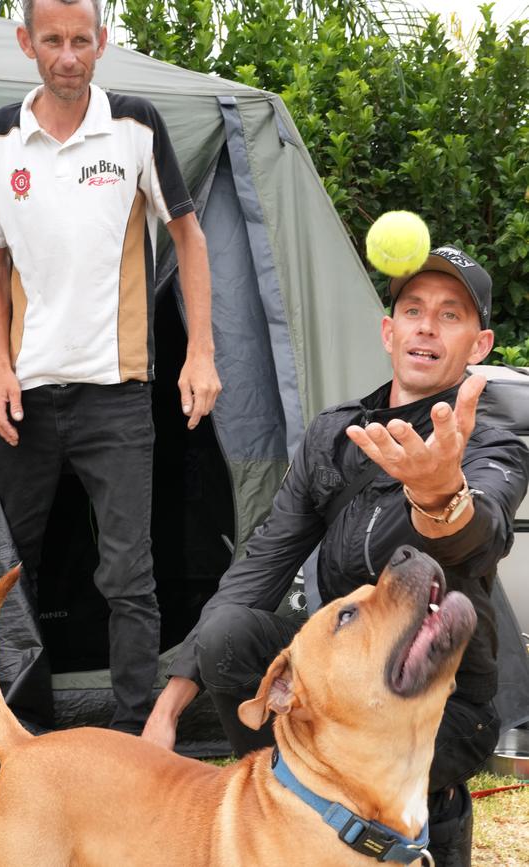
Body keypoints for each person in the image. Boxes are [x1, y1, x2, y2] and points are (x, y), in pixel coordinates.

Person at [142, 245, 529, 866]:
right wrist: (168, 709)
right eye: (412, 310)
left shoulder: (490, 439)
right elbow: (261, 564)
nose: (426, 326)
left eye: (450, 315)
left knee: (396, 738)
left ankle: (431, 812)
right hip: (349, 676)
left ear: (478, 345)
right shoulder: (335, 435)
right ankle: (286, 811)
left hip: (444, 699)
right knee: (226, 634)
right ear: (389, 330)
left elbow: (482, 529)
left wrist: (440, 498)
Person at [0, 0, 221, 736]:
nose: (69, 55)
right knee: (9, 569)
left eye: (82, 39)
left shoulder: (136, 123)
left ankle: (136, 736)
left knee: (128, 577)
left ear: (103, 42)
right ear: (26, 43)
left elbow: (189, 234)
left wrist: (200, 350)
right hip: (27, 397)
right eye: (53, 40)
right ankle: (15, 731)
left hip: (117, 396)